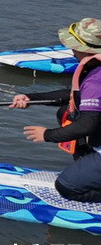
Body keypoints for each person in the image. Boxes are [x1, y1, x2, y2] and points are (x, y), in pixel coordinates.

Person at [10, 18, 101, 202]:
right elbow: (73, 95)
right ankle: (90, 166)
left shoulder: (96, 78)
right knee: (64, 113)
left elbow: (88, 124)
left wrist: (47, 135)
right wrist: (32, 98)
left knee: (67, 186)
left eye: (73, 45)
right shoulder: (95, 70)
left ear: (84, 49)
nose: (71, 50)